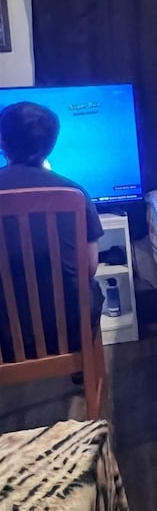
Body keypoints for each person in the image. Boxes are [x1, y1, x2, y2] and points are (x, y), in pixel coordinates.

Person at [0, 101, 104, 360]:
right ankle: (83, 368)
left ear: (2, 141)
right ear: (51, 144)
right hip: (69, 327)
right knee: (91, 289)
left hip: (3, 333)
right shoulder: (75, 192)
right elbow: (89, 268)